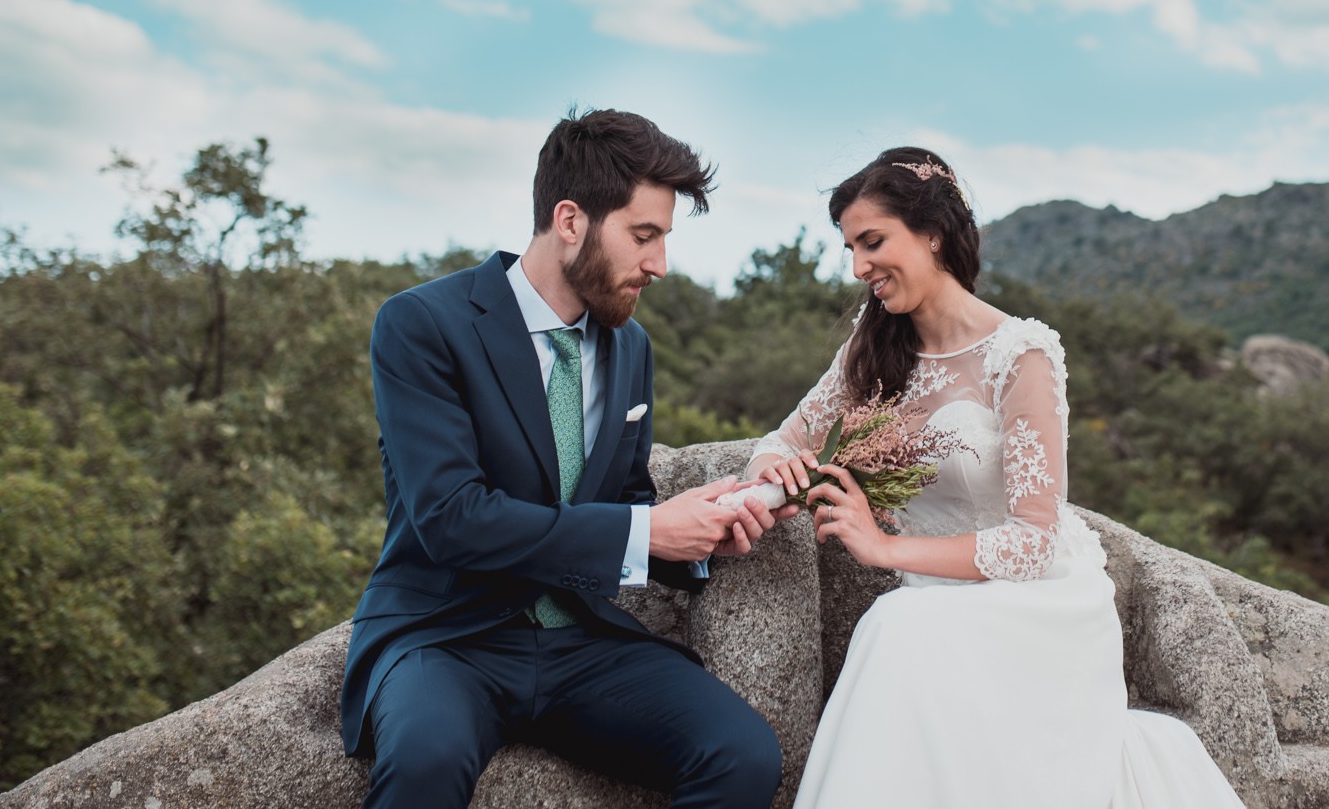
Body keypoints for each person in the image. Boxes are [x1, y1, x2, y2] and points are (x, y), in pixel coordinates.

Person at [747, 147, 1248, 809]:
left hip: (1037, 602)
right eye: (850, 248)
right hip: (935, 600)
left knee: (893, 626)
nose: (859, 266)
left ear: (932, 233)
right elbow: (779, 440)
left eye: (872, 242)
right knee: (900, 626)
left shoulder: (1021, 351)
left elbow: (1035, 539)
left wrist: (884, 547)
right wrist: (770, 469)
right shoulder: (870, 350)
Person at [340, 108, 797, 809]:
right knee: (425, 759)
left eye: (664, 239)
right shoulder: (421, 323)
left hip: (583, 644)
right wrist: (644, 532)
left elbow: (628, 507)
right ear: (571, 219)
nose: (660, 265)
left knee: (742, 753)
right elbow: (450, 517)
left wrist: (713, 523)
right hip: (446, 637)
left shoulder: (631, 346)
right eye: (644, 236)